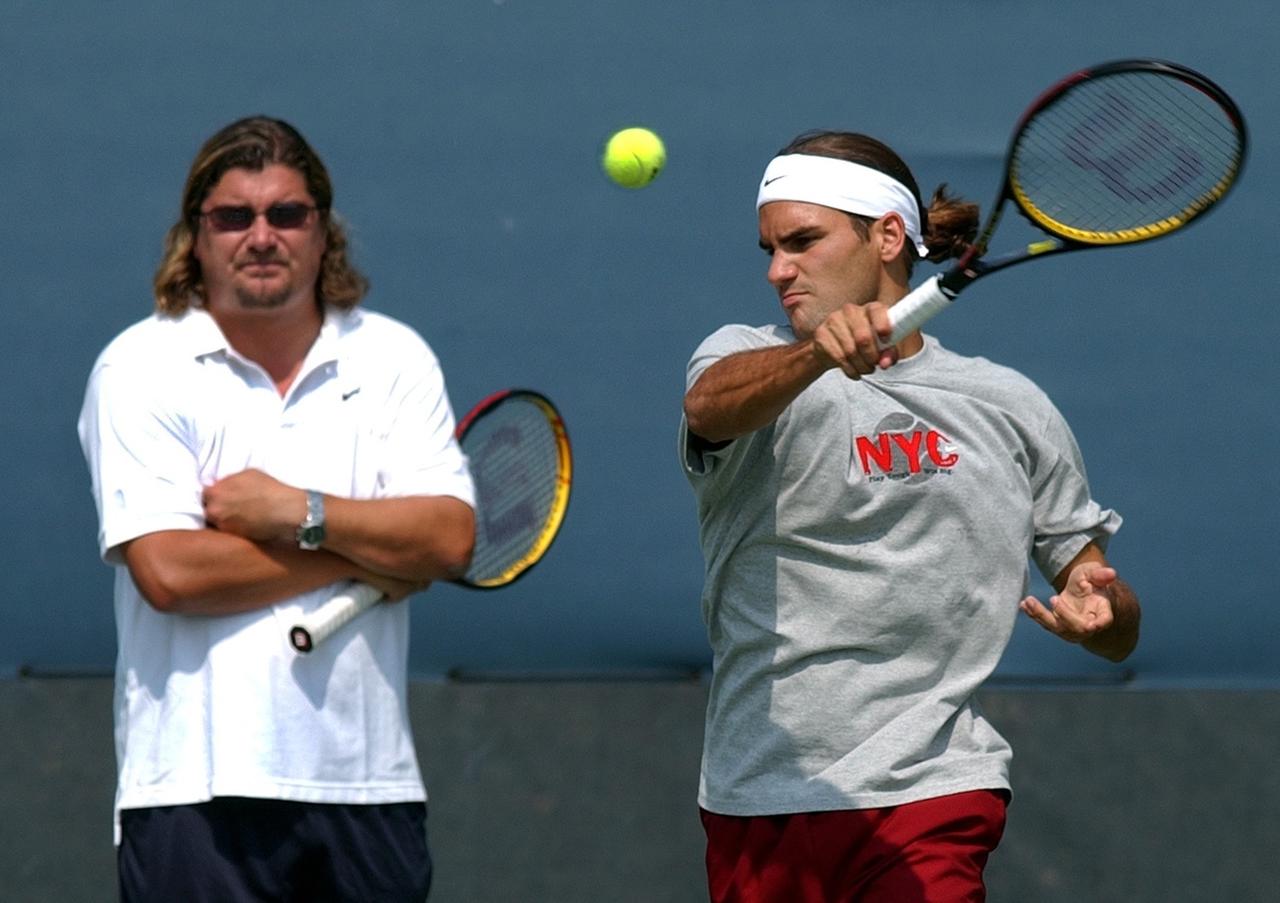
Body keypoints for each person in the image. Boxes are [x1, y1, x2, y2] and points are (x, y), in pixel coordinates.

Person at [679, 130, 1141, 902]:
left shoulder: (1011, 405)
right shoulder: (741, 359)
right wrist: (818, 355)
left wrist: (1104, 607)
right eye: (768, 247)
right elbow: (711, 405)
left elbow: (1107, 603)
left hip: (933, 788)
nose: (777, 270)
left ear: (888, 236)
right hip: (760, 793)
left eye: (802, 242)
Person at [77, 116, 476, 902]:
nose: (261, 236)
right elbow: (170, 572)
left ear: (325, 232)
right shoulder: (139, 365)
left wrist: (297, 509)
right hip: (193, 792)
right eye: (234, 217)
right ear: (195, 236)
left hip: (369, 791)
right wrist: (361, 546)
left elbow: (450, 537)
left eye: (287, 214)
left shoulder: (394, 357)